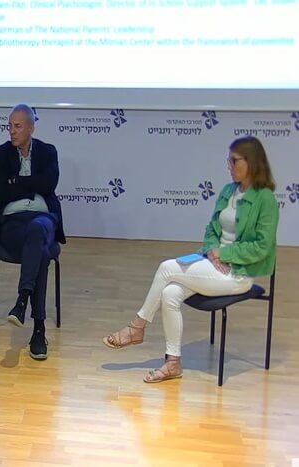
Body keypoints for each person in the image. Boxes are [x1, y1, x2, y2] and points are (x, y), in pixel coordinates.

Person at [103, 136, 279, 383]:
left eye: (234, 161)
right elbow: (211, 230)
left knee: (167, 268)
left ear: (251, 162)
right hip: (213, 264)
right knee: (170, 294)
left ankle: (137, 327)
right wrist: (212, 251)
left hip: (239, 274)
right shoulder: (228, 191)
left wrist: (224, 254)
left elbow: (262, 247)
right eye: (228, 160)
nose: (229, 166)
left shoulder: (265, 199)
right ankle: (172, 363)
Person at [0, 104, 66, 361]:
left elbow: (49, 184)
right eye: (9, 126)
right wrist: (32, 185)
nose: (11, 131)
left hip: (43, 219)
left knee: (38, 232)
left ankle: (22, 300)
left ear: (31, 127)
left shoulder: (48, 151)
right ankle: (38, 329)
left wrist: (16, 182)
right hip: (12, 222)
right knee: (40, 249)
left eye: (18, 126)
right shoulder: (1, 153)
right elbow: (0, 190)